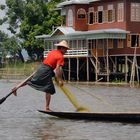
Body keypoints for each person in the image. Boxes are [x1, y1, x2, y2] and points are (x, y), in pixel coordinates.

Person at [12, 40, 70, 111]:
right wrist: (60, 80)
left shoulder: (52, 52)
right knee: (48, 88)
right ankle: (47, 108)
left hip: (43, 67)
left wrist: (55, 76)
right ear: (61, 48)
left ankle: (16, 88)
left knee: (31, 80)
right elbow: (58, 69)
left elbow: (50, 63)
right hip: (46, 70)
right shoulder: (60, 56)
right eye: (65, 49)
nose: (66, 51)